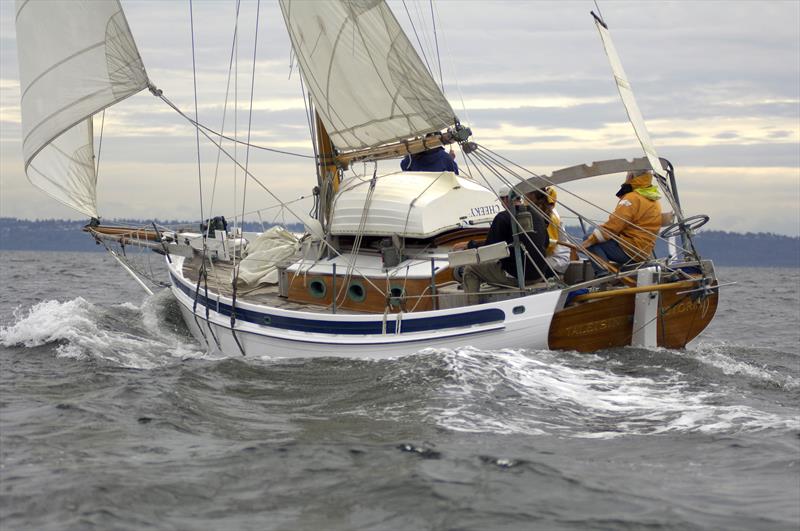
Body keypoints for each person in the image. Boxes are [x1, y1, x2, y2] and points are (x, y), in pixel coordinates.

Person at [454, 187, 553, 304]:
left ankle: (472, 310)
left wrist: (470, 246)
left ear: (506, 198)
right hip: (539, 274)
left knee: (470, 269)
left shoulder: (503, 217)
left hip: (520, 277)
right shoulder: (536, 215)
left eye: (501, 200)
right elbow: (545, 243)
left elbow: (489, 251)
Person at [582, 170, 662, 275]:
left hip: (631, 251)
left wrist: (590, 241)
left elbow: (614, 225)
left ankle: (603, 274)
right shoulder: (654, 200)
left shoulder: (632, 198)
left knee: (589, 238)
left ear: (631, 176)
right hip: (643, 251)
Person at [528, 186, 570, 275]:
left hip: (554, 262)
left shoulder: (543, 216)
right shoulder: (552, 212)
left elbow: (547, 246)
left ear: (532, 196)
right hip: (561, 258)